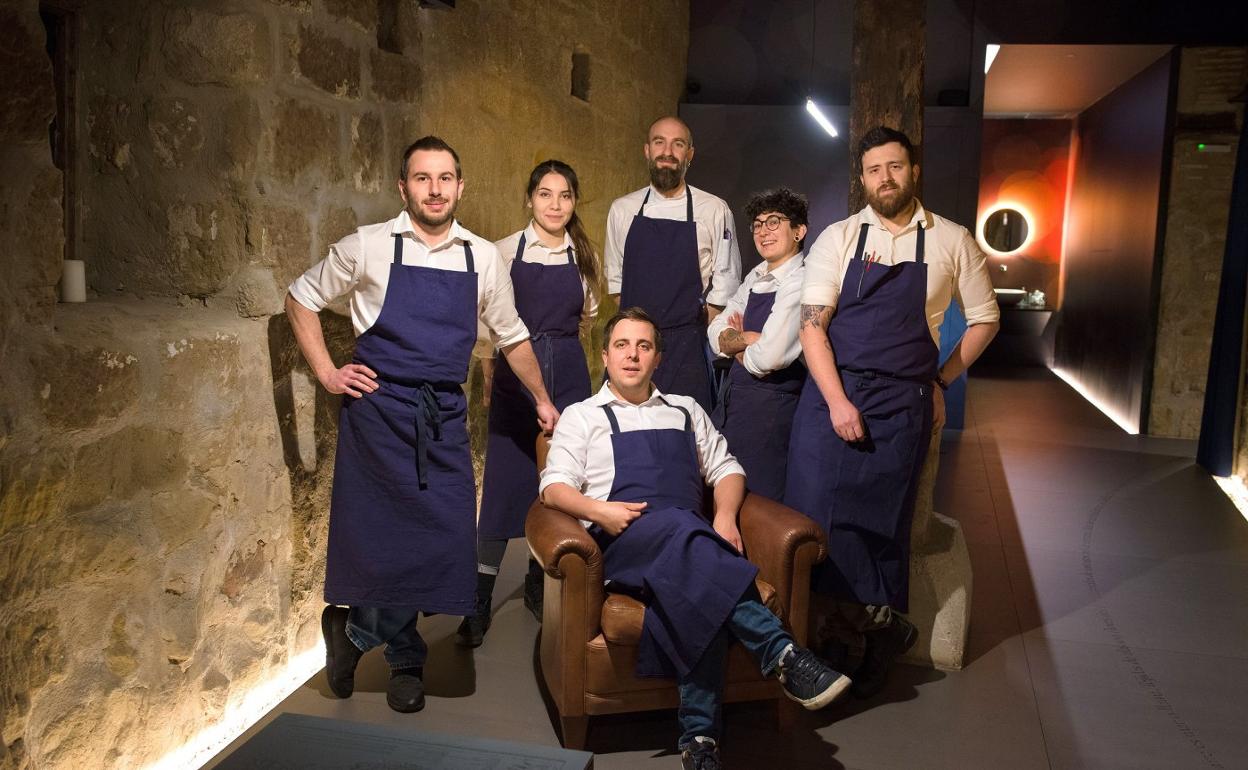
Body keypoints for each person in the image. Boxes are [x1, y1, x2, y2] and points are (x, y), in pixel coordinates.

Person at [285, 136, 559, 714]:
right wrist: (329, 374)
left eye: (445, 178)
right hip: (377, 415)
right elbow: (300, 298)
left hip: (443, 417)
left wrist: (542, 399)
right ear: (402, 187)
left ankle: (354, 634)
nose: (434, 189)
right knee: (380, 543)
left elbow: (511, 335)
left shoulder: (481, 257)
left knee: (440, 541)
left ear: (461, 186)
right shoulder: (368, 246)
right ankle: (406, 658)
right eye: (422, 178)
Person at [540, 308, 850, 770]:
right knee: (687, 533)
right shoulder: (583, 417)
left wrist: (725, 517)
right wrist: (598, 511)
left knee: (696, 573)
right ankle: (782, 654)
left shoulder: (686, 409)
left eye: (643, 346)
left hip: (686, 542)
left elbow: (726, 468)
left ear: (657, 358)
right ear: (605, 356)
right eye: (622, 345)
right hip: (622, 539)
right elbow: (553, 485)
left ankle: (700, 742)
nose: (632, 355)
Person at [786, 126, 1000, 699]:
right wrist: (836, 401)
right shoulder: (838, 237)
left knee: (879, 524)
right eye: (875, 169)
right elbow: (813, 328)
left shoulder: (952, 240)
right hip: (832, 393)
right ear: (863, 178)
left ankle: (866, 633)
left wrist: (940, 378)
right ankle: (825, 637)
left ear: (913, 172)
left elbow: (985, 319)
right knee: (812, 517)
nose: (886, 177)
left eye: (896, 167)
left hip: (902, 400)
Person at [461, 160, 601, 646]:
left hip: (568, 371)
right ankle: (477, 599)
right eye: (545, 194)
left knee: (561, 480)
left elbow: (587, 317)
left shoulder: (583, 255)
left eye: (564, 195)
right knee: (503, 482)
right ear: (529, 199)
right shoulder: (502, 251)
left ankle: (542, 582)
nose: (555, 204)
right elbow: (485, 321)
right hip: (515, 372)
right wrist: (487, 364)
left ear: (574, 202)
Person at [604, 116, 742, 412]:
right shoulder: (622, 210)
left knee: (688, 438)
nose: (667, 151)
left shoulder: (714, 210)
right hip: (634, 348)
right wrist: (637, 338)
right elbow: (616, 282)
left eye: (677, 144)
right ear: (646, 150)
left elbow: (726, 284)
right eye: (659, 142)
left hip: (687, 351)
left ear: (689, 154)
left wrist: (692, 332)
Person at [707, 187, 809, 502]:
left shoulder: (801, 281)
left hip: (771, 411)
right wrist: (748, 340)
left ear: (799, 231)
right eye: (758, 224)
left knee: (761, 503)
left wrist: (735, 344)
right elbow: (714, 331)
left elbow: (768, 359)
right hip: (734, 403)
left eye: (774, 222)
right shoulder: (756, 275)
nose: (763, 231)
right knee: (722, 490)